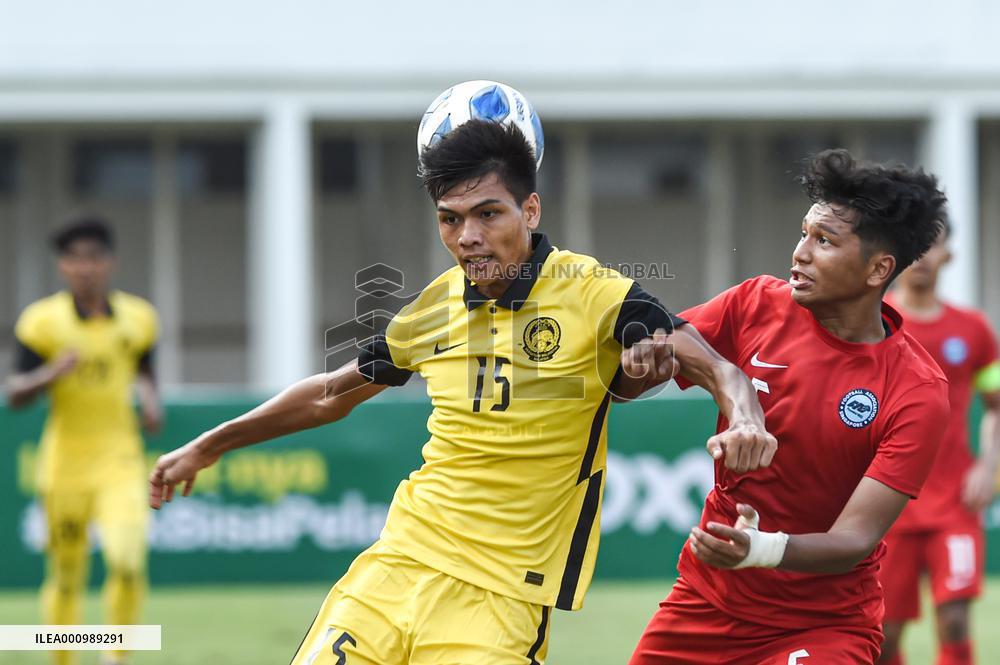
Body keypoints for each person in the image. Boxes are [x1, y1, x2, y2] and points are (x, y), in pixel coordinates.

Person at [148, 119, 776, 665]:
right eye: (450, 220)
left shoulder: (593, 291)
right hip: (399, 563)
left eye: (488, 214)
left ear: (529, 211)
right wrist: (209, 444)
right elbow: (330, 394)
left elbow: (717, 365)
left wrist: (745, 416)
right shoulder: (433, 307)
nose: (468, 237)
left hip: (503, 597)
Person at [628, 149, 950, 664]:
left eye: (823, 241)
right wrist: (652, 365)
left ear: (878, 269)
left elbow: (854, 538)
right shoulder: (756, 303)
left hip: (824, 625)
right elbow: (667, 344)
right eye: (803, 233)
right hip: (707, 603)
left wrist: (761, 549)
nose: (799, 253)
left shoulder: (916, 388)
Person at [6, 216, 161, 665]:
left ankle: (115, 657)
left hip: (120, 460)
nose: (84, 268)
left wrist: (152, 400)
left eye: (92, 258)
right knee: (67, 575)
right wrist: (49, 374)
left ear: (108, 263)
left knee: (128, 561)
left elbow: (147, 369)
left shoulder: (139, 318)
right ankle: (63, 658)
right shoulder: (42, 323)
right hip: (65, 466)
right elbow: (15, 393)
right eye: (74, 259)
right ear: (62, 267)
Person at [877, 221, 1000, 665]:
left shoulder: (973, 331)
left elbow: (996, 404)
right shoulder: (875, 323)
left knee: (954, 623)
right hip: (886, 504)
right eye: (916, 245)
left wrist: (989, 466)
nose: (924, 256)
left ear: (948, 255)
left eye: (934, 246)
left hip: (954, 504)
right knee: (884, 636)